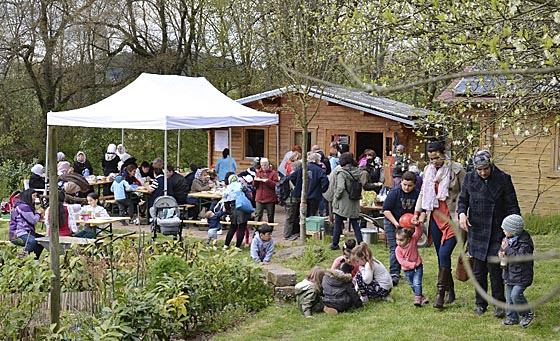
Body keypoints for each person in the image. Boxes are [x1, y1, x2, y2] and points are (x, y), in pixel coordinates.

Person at [457, 149, 520, 316]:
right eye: (479, 169)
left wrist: (513, 230)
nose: (483, 172)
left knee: (495, 270)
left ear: (491, 165)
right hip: (476, 231)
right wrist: (462, 214)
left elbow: (513, 206)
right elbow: (463, 200)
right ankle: (480, 304)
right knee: (478, 271)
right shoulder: (470, 178)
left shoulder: (503, 179)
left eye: (485, 168)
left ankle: (499, 304)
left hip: (497, 231)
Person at [413, 140, 465, 309]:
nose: (434, 162)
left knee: (444, 254)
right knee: (440, 256)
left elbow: (465, 194)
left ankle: (440, 294)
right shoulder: (428, 170)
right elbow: (423, 192)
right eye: (431, 158)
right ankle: (450, 290)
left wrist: (464, 215)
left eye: (436, 158)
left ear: (444, 153)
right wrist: (418, 212)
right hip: (434, 216)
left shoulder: (457, 169)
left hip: (452, 218)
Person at [382, 171, 420, 286]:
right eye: (404, 185)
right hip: (392, 222)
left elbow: (421, 210)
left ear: (414, 185)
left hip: (408, 224)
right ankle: (394, 274)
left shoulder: (417, 194)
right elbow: (386, 210)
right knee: (395, 247)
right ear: (401, 182)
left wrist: (416, 219)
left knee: (407, 247)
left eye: (410, 185)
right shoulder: (395, 192)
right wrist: (396, 223)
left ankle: (408, 269)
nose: (407, 188)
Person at [498, 214, 534, 327]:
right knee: (509, 298)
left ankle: (527, 313)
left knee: (515, 295)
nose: (503, 230)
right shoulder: (508, 239)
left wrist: (507, 250)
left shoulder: (525, 243)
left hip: (521, 275)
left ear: (513, 230)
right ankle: (511, 318)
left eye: (505, 229)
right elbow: (503, 250)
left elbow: (519, 258)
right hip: (509, 274)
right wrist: (501, 254)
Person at [329, 152, 363, 250]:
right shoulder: (357, 171)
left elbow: (340, 187)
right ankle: (361, 243)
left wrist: (336, 197)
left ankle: (335, 244)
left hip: (343, 201)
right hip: (354, 200)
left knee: (338, 223)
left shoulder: (341, 173)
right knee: (355, 223)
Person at [396, 222, 428, 306]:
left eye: (401, 240)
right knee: (412, 284)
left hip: (418, 267)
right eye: (397, 240)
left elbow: (419, 232)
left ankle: (417, 298)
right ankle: (422, 297)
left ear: (408, 239)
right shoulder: (398, 250)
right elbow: (401, 261)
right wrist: (411, 265)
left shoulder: (413, 241)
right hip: (407, 270)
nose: (399, 242)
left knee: (417, 282)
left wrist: (417, 225)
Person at [289, 152, 329, 218]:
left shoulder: (303, 168)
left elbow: (292, 177)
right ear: (318, 160)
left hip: (302, 195)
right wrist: (322, 190)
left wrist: (297, 186)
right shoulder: (319, 170)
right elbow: (325, 181)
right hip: (314, 196)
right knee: (311, 215)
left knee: (302, 214)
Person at [9, 189, 44, 259]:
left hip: (25, 232)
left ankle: (34, 261)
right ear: (28, 196)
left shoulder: (24, 206)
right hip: (17, 234)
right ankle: (21, 258)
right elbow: (33, 220)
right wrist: (38, 214)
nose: (35, 198)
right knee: (32, 242)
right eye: (34, 196)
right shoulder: (24, 207)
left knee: (43, 241)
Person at [223, 173, 252, 250]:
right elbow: (249, 196)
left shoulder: (228, 189)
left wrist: (228, 212)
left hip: (233, 208)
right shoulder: (241, 186)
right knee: (242, 227)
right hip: (242, 207)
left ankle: (226, 245)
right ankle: (237, 246)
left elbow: (225, 201)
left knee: (232, 227)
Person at [253, 157, 279, 223]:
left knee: (270, 215)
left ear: (268, 165)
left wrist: (267, 181)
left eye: (265, 165)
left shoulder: (273, 173)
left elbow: (275, 185)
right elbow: (254, 185)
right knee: (258, 215)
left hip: (270, 198)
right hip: (259, 198)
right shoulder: (258, 172)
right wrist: (255, 180)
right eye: (262, 165)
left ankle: (269, 231)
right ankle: (257, 230)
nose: (263, 167)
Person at [283, 160, 302, 241]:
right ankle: (287, 234)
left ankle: (290, 233)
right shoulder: (293, 177)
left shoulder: (290, 175)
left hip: (288, 199)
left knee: (290, 217)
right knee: (289, 217)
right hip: (290, 200)